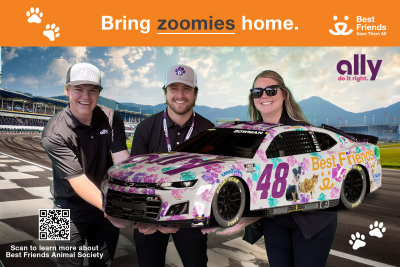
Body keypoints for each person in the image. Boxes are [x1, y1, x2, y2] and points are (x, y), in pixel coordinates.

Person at [203, 70, 337, 267]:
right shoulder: (250, 134)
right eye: (257, 92)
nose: (264, 96)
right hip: (277, 221)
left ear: (284, 94)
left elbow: (296, 191)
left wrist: (246, 218)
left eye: (270, 90)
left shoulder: (300, 132)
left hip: (311, 221)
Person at [42, 62, 131, 267]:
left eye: (93, 90)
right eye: (78, 89)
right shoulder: (51, 133)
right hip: (62, 206)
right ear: (66, 91)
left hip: (102, 203)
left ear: (99, 92)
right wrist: (113, 208)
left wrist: (131, 204)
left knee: (104, 264)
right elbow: (78, 181)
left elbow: (122, 162)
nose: (86, 96)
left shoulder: (111, 117)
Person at [131, 64, 214, 267]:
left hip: (191, 219)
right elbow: (136, 179)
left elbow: (211, 182)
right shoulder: (146, 128)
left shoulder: (209, 131)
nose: (180, 94)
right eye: (173, 88)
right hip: (149, 218)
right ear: (165, 92)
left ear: (195, 94)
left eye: (187, 88)